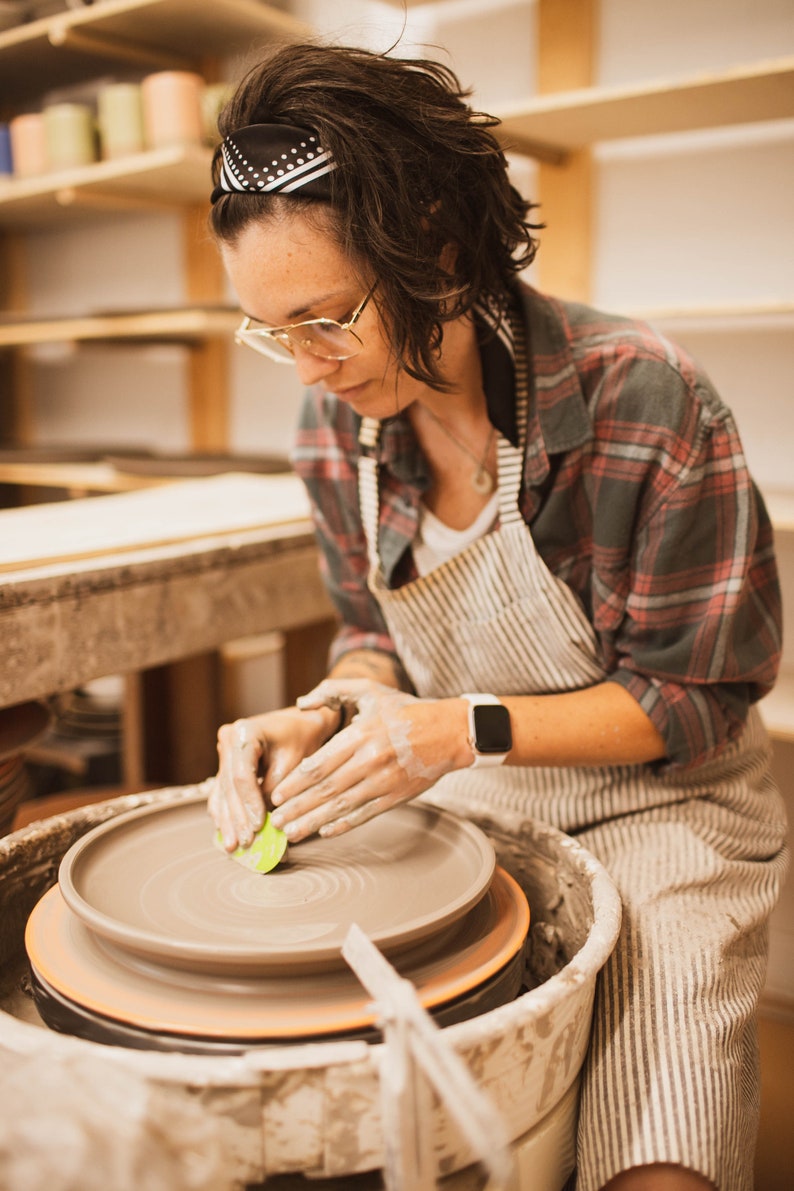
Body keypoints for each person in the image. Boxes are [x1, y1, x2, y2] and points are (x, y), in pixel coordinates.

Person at [206, 41, 787, 1191]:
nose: (307, 365)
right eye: (271, 331)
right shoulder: (337, 429)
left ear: (438, 244)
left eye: (327, 318)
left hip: (666, 808)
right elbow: (374, 639)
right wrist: (331, 711)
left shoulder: (642, 399)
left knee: (646, 1155)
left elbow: (696, 700)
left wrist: (455, 728)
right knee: (395, 1114)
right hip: (470, 789)